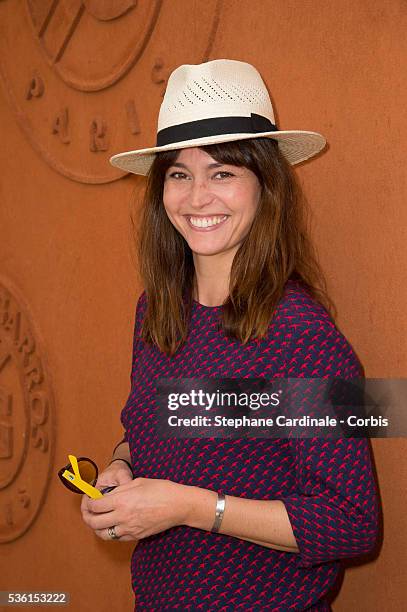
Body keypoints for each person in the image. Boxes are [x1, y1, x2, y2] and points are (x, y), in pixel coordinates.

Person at [81, 59, 379, 610]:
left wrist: (190, 507)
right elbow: (144, 432)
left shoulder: (303, 336)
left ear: (265, 188)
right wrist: (121, 470)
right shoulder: (156, 312)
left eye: (222, 173)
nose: (197, 198)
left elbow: (350, 523)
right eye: (178, 174)